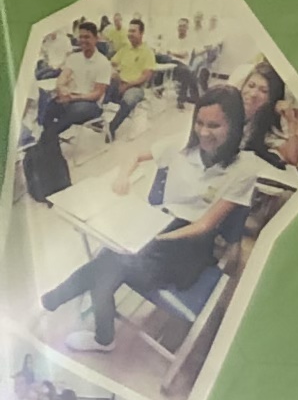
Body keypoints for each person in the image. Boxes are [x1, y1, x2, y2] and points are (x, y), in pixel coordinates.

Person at [36, 89, 250, 350]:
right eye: (200, 122)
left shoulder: (242, 169)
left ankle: (84, 322)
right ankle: (71, 312)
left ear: (234, 125)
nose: (203, 132)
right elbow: (134, 155)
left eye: (214, 125)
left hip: (190, 244)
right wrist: (123, 176)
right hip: (159, 223)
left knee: (110, 259)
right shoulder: (184, 146)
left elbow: (204, 225)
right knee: (111, 256)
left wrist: (153, 238)